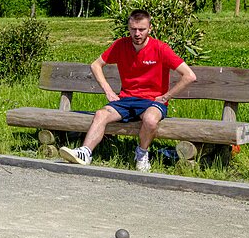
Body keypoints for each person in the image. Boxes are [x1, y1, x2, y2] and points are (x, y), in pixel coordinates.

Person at [59, 9, 197, 172]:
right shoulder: (120, 45)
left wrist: (166, 96)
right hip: (126, 100)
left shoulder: (161, 48)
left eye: (142, 29)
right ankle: (85, 153)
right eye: (133, 29)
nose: (137, 33)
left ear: (150, 29)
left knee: (151, 120)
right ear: (129, 27)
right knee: (101, 114)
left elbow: (189, 76)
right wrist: (108, 91)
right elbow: (95, 65)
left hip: (152, 102)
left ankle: (141, 154)